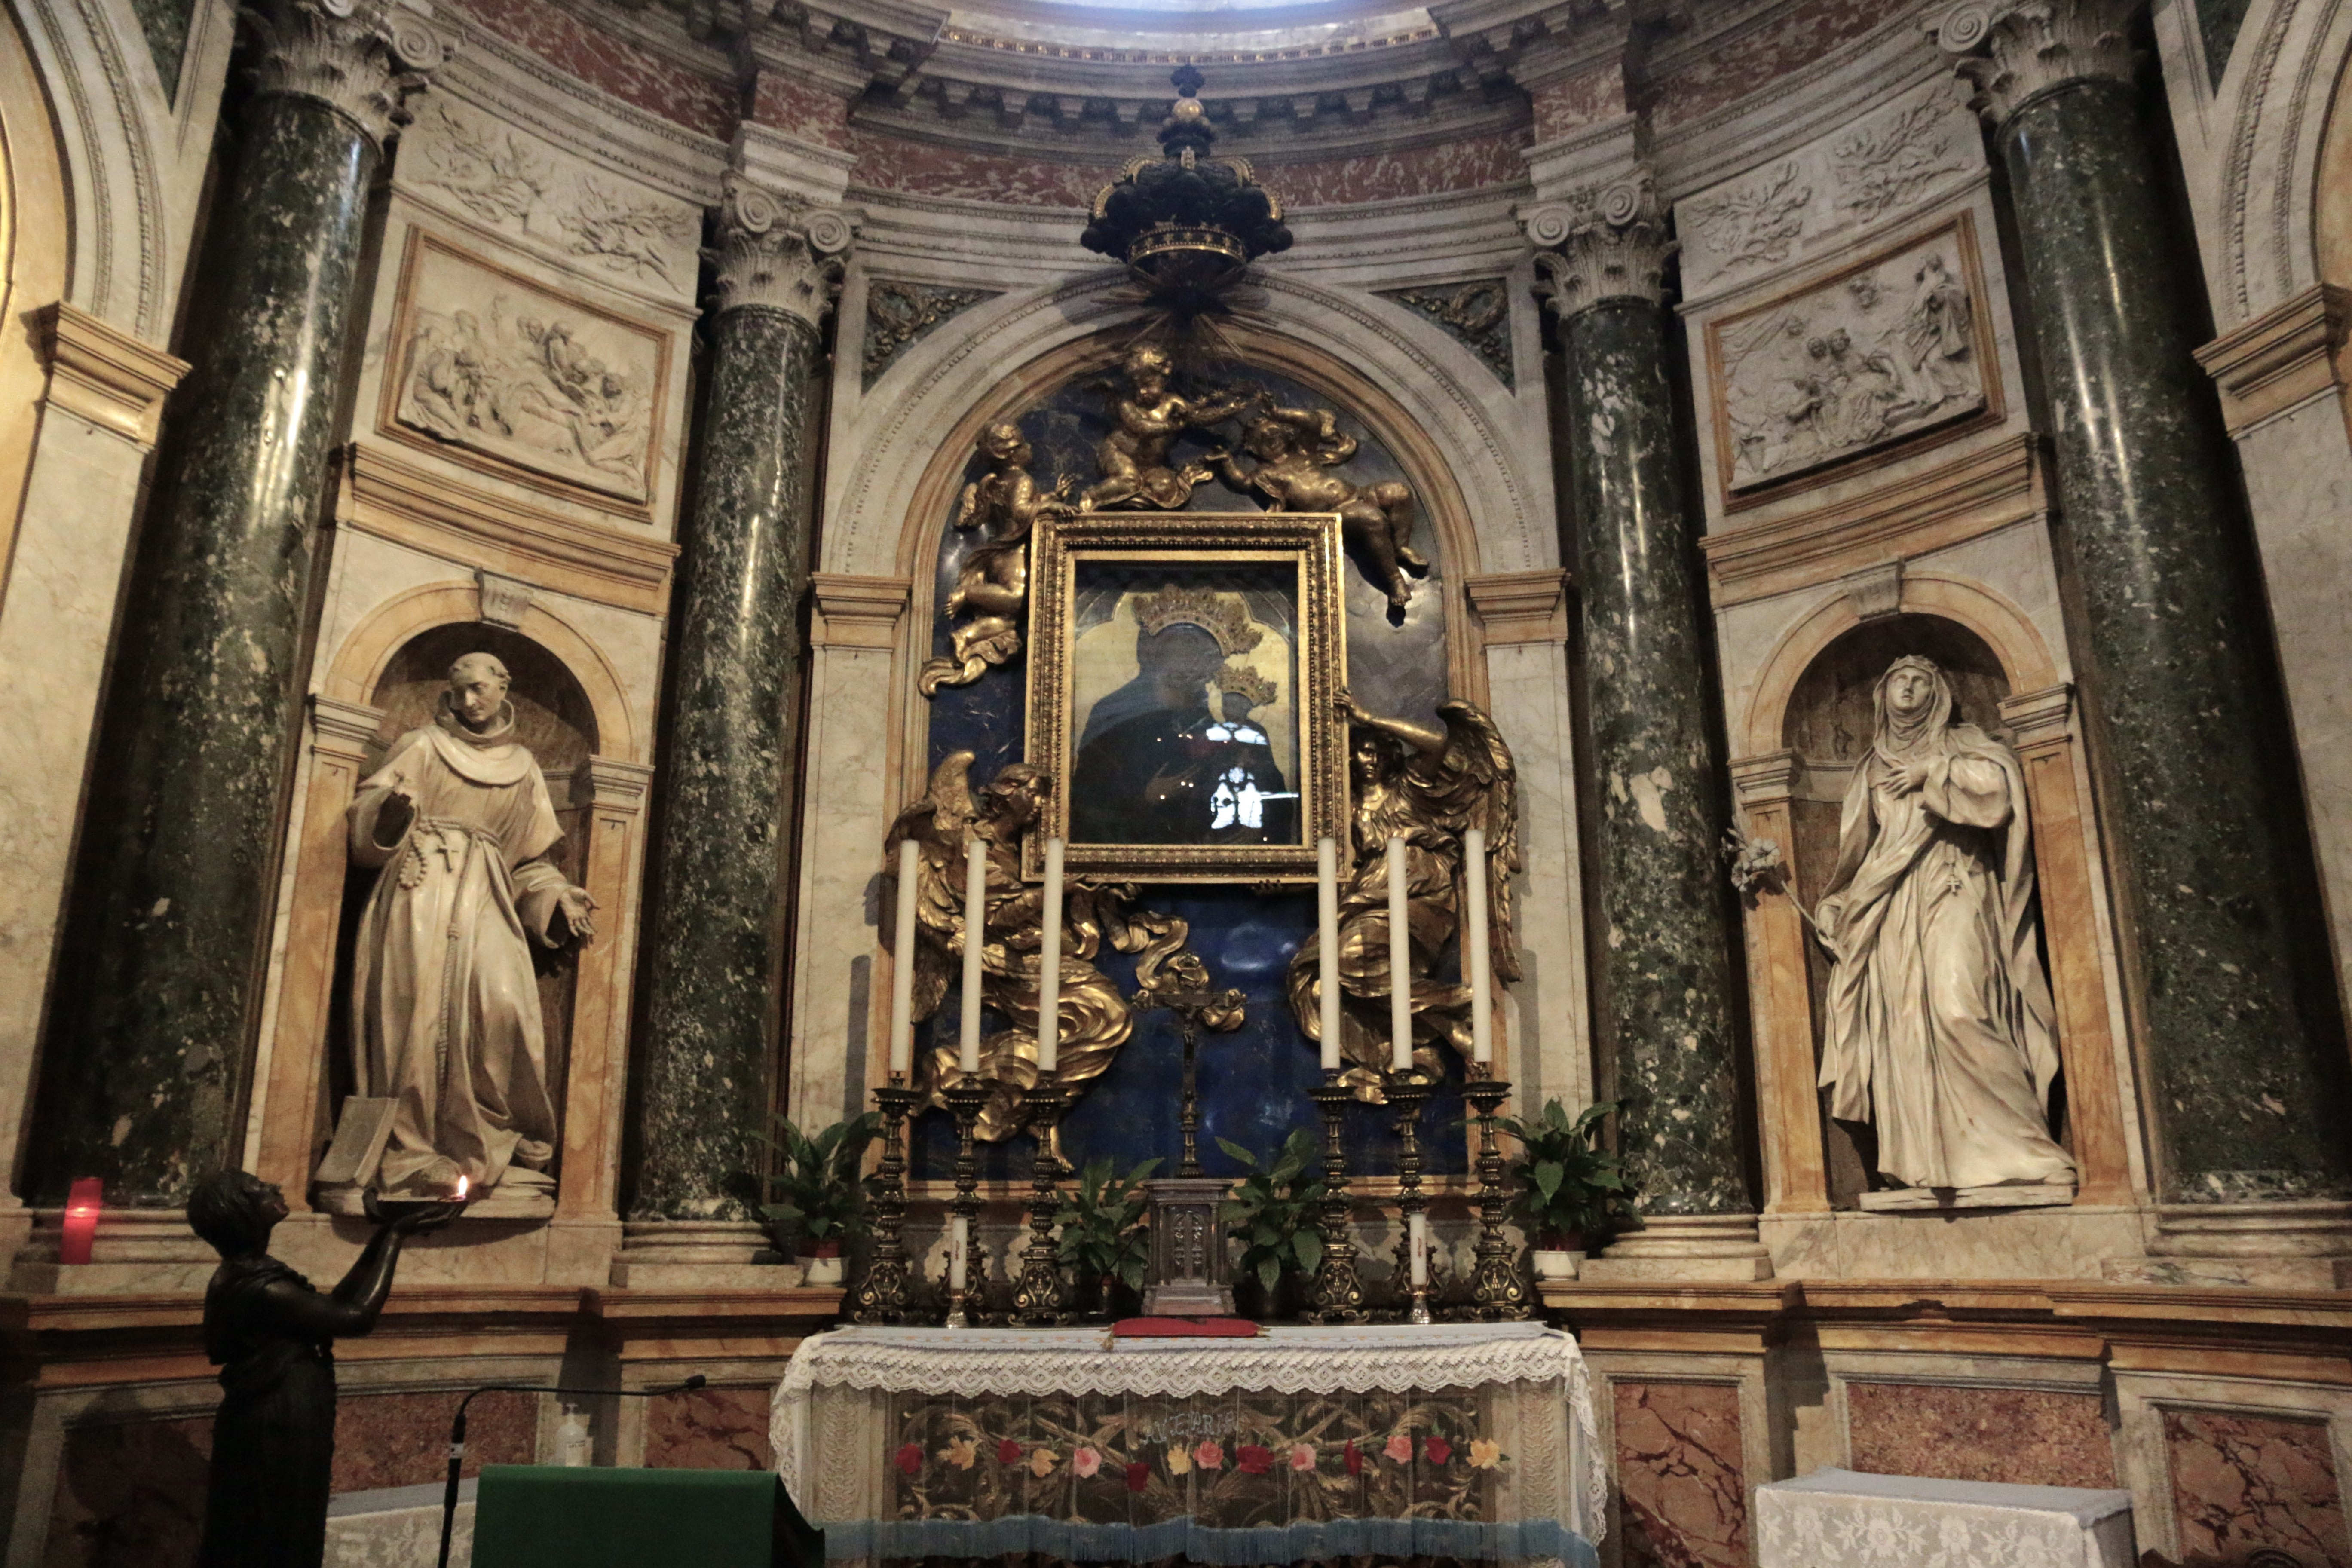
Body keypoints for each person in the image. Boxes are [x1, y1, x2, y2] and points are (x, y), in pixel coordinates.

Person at [1812, 656, 2076, 1192]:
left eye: (1920, 682)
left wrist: (1934, 772)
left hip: (1955, 885)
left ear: (1938, 695)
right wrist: (1836, 904)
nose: (1908, 690)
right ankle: (1929, 1165)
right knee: (1907, 1029)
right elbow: (1859, 853)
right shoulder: (1870, 769)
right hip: (1891, 908)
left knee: (1961, 1008)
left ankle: (2027, 1151)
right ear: (1883, 695)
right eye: (1899, 682)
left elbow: (1999, 795)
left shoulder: (1963, 744)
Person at [346, 653, 596, 1200]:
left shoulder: (525, 768)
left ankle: (490, 1144)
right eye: (458, 691)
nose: (468, 701)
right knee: (414, 1017)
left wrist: (556, 895)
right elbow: (366, 826)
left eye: (479, 689)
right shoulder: (421, 746)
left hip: (487, 895)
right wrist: (392, 813)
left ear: (504, 687)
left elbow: (529, 861)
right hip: (420, 888)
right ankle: (412, 1151)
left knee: (504, 1007)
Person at [190, 1170, 457, 1568]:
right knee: (274, 1529)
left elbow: (333, 1307)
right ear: (241, 1212)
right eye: (259, 1188)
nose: (275, 1187)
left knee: (289, 1523)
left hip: (284, 1418)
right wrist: (396, 1238)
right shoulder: (263, 1288)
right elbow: (355, 1318)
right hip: (274, 1425)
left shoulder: (255, 1272)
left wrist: (383, 1235)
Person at [1068, 619, 1231, 844]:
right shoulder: (1115, 715)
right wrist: (1145, 798)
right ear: (1156, 658)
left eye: (1197, 656)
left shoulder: (1201, 717)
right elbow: (1089, 800)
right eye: (1182, 654)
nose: (1191, 667)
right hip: (1131, 845)